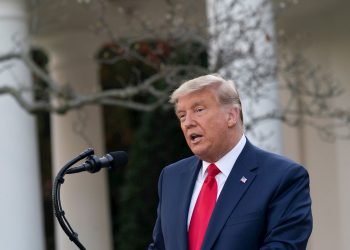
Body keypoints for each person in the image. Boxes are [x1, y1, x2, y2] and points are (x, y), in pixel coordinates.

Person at [148, 74, 312, 250]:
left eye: (199, 110)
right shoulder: (171, 177)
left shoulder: (282, 177)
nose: (188, 123)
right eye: (182, 115)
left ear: (231, 116)